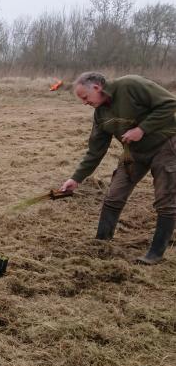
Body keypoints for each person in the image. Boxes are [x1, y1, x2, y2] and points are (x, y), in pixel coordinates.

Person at [60, 72, 176, 264]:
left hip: (165, 145)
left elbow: (170, 104)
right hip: (134, 154)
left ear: (97, 88)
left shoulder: (131, 85)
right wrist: (76, 178)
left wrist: (142, 129)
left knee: (165, 200)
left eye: (85, 97)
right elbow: (95, 151)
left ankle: (155, 254)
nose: (84, 103)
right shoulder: (101, 115)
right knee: (114, 195)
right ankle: (102, 242)